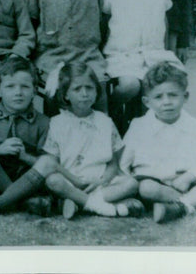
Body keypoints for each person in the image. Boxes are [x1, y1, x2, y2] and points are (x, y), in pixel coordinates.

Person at [103, 0, 184, 132]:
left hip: (153, 53)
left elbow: (164, 16)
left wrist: (169, 50)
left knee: (172, 84)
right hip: (123, 55)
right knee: (131, 85)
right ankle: (108, 113)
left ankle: (156, 132)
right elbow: (103, 21)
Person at [42, 62, 143, 219]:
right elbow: (52, 163)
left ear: (96, 92)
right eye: (77, 89)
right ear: (66, 94)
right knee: (52, 181)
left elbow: (113, 163)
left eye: (89, 88)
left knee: (132, 184)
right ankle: (97, 205)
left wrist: (102, 181)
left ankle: (78, 202)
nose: (84, 93)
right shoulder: (56, 123)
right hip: (70, 182)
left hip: (100, 183)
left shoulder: (105, 122)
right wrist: (74, 181)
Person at [28, 0, 107, 113]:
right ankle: (55, 135)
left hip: (87, 55)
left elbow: (101, 24)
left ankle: (102, 132)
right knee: (53, 89)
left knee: (99, 84)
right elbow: (33, 22)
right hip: (52, 57)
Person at [121, 63, 196, 223]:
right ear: (147, 101)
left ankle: (179, 207)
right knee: (146, 188)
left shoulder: (195, 126)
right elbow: (123, 163)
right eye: (158, 97)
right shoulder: (139, 126)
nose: (166, 102)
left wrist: (190, 176)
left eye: (173, 95)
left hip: (186, 183)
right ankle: (186, 204)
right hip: (153, 184)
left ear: (185, 97)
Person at [0, 57, 52, 217]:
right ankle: (20, 201)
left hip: (27, 181)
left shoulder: (43, 122)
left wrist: (24, 156)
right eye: (10, 86)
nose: (18, 93)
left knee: (48, 163)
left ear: (34, 90)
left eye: (25, 87)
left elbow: (44, 164)